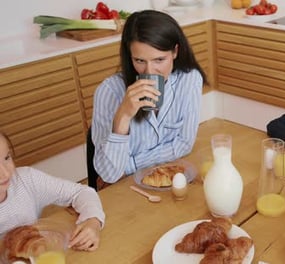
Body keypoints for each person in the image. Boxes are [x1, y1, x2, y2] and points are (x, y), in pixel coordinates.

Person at [92, 10, 208, 186]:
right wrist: (123, 116)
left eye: (159, 60)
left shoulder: (190, 80)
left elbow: (184, 144)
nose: (149, 72)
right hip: (125, 189)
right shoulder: (108, 92)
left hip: (165, 176)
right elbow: (109, 175)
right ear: (129, 56)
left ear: (175, 52)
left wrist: (131, 165)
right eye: (139, 61)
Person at [0, 132, 105, 251]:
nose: (5, 173)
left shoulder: (26, 180)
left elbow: (81, 192)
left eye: (7, 158)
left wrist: (93, 221)